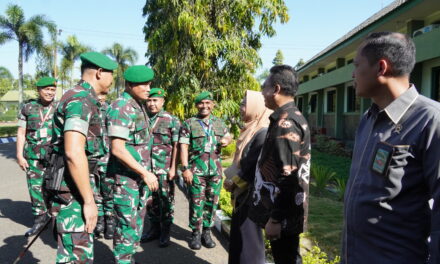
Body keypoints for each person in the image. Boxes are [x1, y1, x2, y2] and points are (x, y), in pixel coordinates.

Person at [342, 32, 440, 264]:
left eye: (357, 65)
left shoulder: (430, 120)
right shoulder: (368, 118)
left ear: (381, 67)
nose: (353, 74)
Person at [49, 51, 117, 263]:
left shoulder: (84, 97)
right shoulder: (80, 99)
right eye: (111, 75)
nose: (112, 81)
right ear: (99, 73)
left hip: (76, 190)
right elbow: (73, 152)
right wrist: (89, 201)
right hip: (73, 197)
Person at [248, 65, 311, 264]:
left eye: (264, 86)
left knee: (287, 259)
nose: (261, 92)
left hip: (283, 216)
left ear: (275, 89)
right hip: (284, 212)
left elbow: (287, 176)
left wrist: (275, 220)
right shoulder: (286, 117)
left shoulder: (286, 123)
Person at [106, 65, 159, 264]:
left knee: (135, 226)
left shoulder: (138, 105)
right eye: (143, 84)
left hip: (137, 180)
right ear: (129, 85)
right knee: (126, 227)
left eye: (150, 84)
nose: (148, 88)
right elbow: (117, 149)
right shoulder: (121, 107)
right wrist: (145, 173)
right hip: (125, 181)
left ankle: (128, 259)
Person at [179, 91, 232, 250]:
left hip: (215, 171)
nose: (204, 106)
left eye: (208, 103)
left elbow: (228, 135)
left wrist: (226, 140)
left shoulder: (219, 122)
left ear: (212, 105)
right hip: (196, 171)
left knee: (212, 202)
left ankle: (206, 233)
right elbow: (183, 146)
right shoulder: (189, 123)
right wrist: (185, 168)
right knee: (196, 202)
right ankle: (195, 233)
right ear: (196, 105)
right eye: (201, 103)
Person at [224, 90, 272, 264]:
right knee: (239, 240)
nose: (241, 108)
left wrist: (234, 182)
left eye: (245, 104)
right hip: (243, 196)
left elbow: (251, 167)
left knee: (249, 245)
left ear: (256, 108)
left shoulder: (262, 131)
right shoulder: (250, 129)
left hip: (251, 197)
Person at [16, 76, 57, 237]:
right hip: (33, 157)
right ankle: (39, 220)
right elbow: (21, 133)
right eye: (46, 89)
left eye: (53, 90)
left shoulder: (60, 107)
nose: (50, 92)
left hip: (54, 157)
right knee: (35, 188)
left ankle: (55, 219)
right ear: (39, 90)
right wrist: (19, 155)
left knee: (54, 187)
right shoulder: (28, 108)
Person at [141, 88, 181, 247]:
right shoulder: (143, 118)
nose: (151, 103)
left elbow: (176, 145)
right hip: (146, 169)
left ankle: (165, 231)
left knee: (165, 201)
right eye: (149, 100)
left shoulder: (171, 120)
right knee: (151, 201)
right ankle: (154, 229)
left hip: (163, 168)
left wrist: (173, 168)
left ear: (162, 101)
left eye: (155, 100)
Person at [94, 94, 115, 239]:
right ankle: (99, 222)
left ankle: (110, 222)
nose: (100, 97)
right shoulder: (87, 109)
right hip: (91, 160)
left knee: (109, 193)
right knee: (94, 193)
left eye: (103, 94)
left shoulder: (111, 110)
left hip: (108, 160)